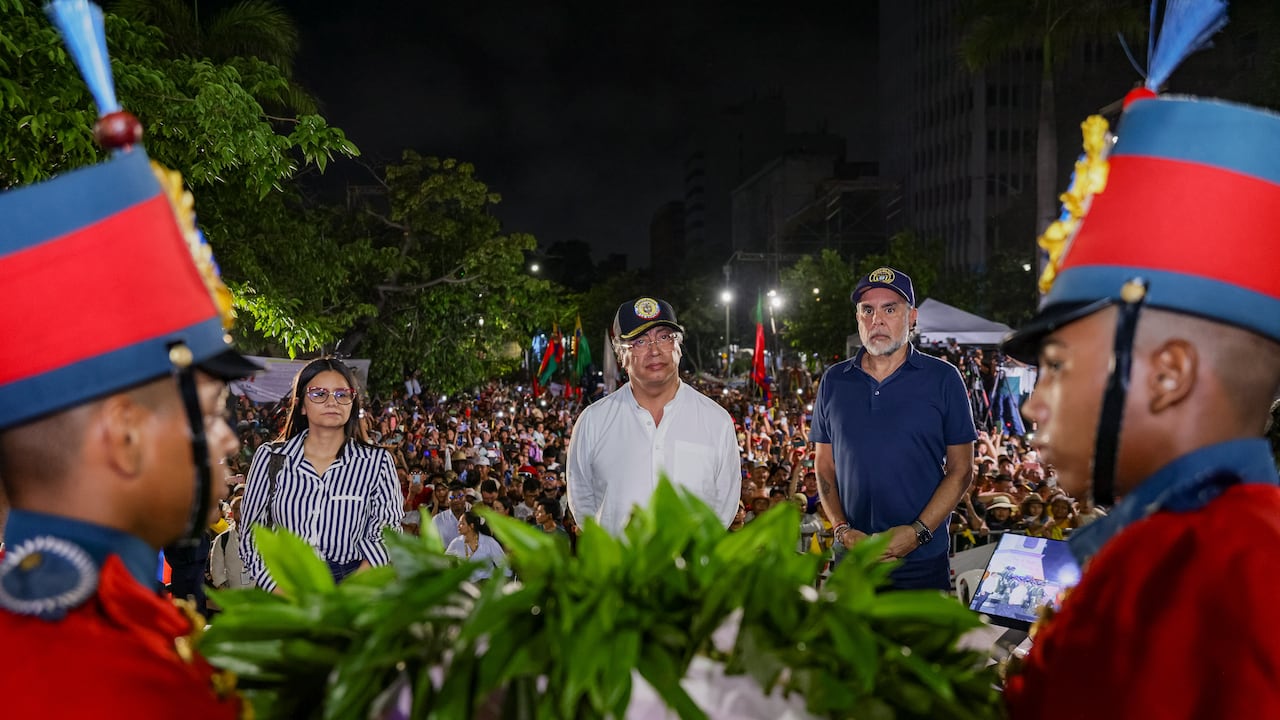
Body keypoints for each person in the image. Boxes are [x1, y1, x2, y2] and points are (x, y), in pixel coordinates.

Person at [1000, 25, 1280, 717]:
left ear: (1168, 374)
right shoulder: (1199, 550)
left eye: (1058, 365)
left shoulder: (1215, 570)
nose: (1035, 406)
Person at [0, 3, 256, 713]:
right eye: (210, 412)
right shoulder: (108, 678)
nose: (230, 439)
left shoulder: (125, 622)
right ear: (125, 434)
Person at [809, 268, 977, 590]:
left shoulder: (944, 379)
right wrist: (842, 529)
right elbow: (824, 464)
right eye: (867, 310)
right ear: (857, 318)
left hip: (922, 563)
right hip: (852, 560)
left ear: (912, 317)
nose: (877, 320)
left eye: (890, 308)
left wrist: (918, 533)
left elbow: (962, 470)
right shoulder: (834, 381)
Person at [567, 297, 740, 535]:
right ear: (621, 355)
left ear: (678, 346)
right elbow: (582, 501)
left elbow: (724, 504)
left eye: (664, 337)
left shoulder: (716, 421)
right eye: (640, 341)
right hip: (619, 569)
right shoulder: (593, 422)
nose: (655, 350)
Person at [239, 358, 402, 589]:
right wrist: (277, 588)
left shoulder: (377, 462)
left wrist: (348, 593)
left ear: (352, 403)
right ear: (302, 405)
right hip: (284, 580)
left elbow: (386, 534)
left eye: (342, 394)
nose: (332, 402)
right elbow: (251, 535)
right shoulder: (271, 458)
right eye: (318, 394)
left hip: (353, 582)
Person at [444, 511, 508, 582]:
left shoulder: (489, 542)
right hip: (465, 586)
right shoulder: (456, 543)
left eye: (462, 523)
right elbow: (444, 563)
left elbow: (503, 566)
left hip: (486, 585)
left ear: (471, 526)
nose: (458, 525)